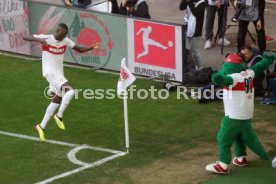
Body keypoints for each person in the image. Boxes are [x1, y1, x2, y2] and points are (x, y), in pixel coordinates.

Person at [23, 23, 100, 141]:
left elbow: (79, 49)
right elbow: (25, 37)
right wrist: (40, 40)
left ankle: (41, 127)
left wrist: (91, 47)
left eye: (65, 35)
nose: (64, 36)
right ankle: (59, 116)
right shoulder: (47, 38)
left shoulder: (66, 40)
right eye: (62, 34)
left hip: (59, 73)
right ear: (58, 31)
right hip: (50, 72)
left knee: (57, 99)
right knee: (70, 92)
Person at [205, 53, 274, 174]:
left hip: (234, 116)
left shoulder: (234, 78)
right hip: (246, 115)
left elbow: (224, 79)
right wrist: (269, 59)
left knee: (223, 138)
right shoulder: (248, 73)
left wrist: (216, 77)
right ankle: (241, 158)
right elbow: (259, 67)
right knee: (239, 136)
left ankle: (222, 164)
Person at [180, 0, 205, 71]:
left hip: (196, 30)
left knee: (195, 50)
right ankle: (195, 65)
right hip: (187, 27)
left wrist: (189, 2)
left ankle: (201, 67)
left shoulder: (202, 3)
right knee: (191, 49)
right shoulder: (190, 2)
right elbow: (181, 7)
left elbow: (196, 13)